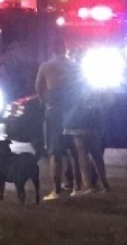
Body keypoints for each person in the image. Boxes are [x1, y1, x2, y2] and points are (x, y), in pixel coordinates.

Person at [35, 37, 80, 200]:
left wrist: (44, 101)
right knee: (75, 150)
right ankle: (77, 186)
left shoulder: (46, 66)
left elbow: (38, 87)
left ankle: (56, 190)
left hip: (54, 112)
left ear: (53, 50)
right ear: (65, 48)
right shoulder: (75, 66)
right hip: (73, 111)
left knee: (55, 151)